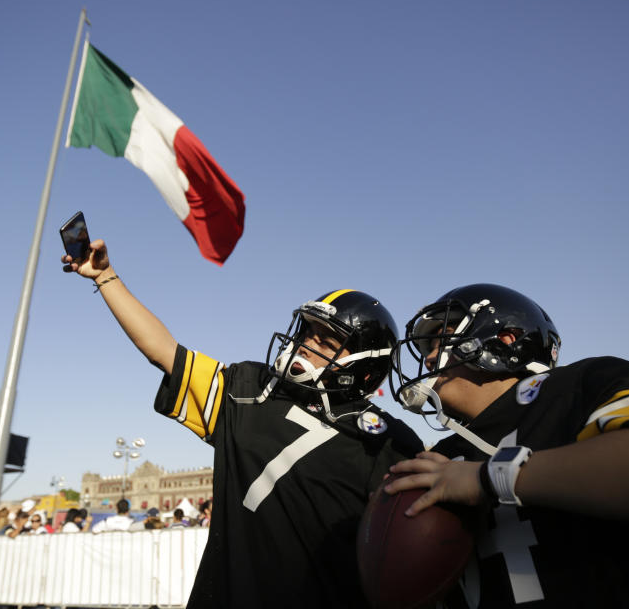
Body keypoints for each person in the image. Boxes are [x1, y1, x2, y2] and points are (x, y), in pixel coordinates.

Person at [62, 239, 422, 608]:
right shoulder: (252, 388)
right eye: (307, 333)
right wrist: (106, 277)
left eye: (326, 342)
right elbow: (164, 351)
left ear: (364, 367)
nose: (305, 345)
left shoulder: (389, 442)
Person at [385, 283, 629, 608]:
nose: (430, 356)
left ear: (505, 340)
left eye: (442, 337)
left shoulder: (582, 386)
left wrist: (490, 477)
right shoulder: (443, 456)